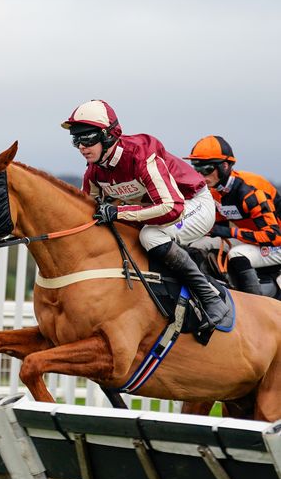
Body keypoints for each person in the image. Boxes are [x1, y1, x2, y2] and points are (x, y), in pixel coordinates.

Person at [62, 100, 229, 329]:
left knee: (151, 237)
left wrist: (119, 211)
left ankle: (211, 298)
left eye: (88, 137)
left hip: (193, 204)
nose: (81, 146)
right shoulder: (94, 172)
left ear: (109, 135)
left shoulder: (140, 155)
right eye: (76, 139)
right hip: (157, 212)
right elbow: (87, 215)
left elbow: (172, 209)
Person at [184, 135, 281, 295]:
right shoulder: (215, 192)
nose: (201, 175)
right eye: (197, 168)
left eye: (207, 169)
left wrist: (231, 232)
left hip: (276, 243)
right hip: (258, 240)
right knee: (198, 245)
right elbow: (218, 227)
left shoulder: (249, 192)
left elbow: (274, 236)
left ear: (225, 166)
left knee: (237, 254)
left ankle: (255, 305)